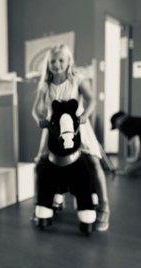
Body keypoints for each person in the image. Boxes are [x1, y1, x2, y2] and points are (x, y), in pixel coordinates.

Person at [31, 44, 110, 231]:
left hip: (78, 128)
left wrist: (85, 115)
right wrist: (39, 120)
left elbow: (92, 99)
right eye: (52, 61)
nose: (56, 64)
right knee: (41, 164)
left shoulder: (77, 79)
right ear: (48, 65)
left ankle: (104, 207)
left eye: (60, 60)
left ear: (68, 62)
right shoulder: (46, 85)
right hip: (53, 130)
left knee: (93, 162)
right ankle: (40, 203)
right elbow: (36, 109)